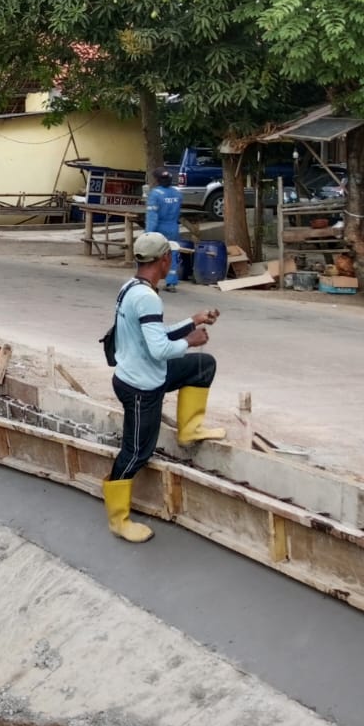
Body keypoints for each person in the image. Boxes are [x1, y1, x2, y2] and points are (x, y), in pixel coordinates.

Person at [103, 232, 224, 543]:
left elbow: (157, 335)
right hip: (140, 386)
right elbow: (160, 349)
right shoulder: (147, 297)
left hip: (146, 373)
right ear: (164, 260)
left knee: (203, 366)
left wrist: (193, 320)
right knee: (136, 453)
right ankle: (118, 519)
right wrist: (190, 341)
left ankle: (189, 430)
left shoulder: (132, 287)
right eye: (172, 256)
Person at [145, 167, 184, 290]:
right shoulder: (177, 193)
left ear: (157, 180)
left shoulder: (155, 194)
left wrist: (148, 234)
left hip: (159, 228)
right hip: (173, 227)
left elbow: (152, 216)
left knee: (153, 254)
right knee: (172, 254)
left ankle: (150, 280)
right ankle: (171, 283)